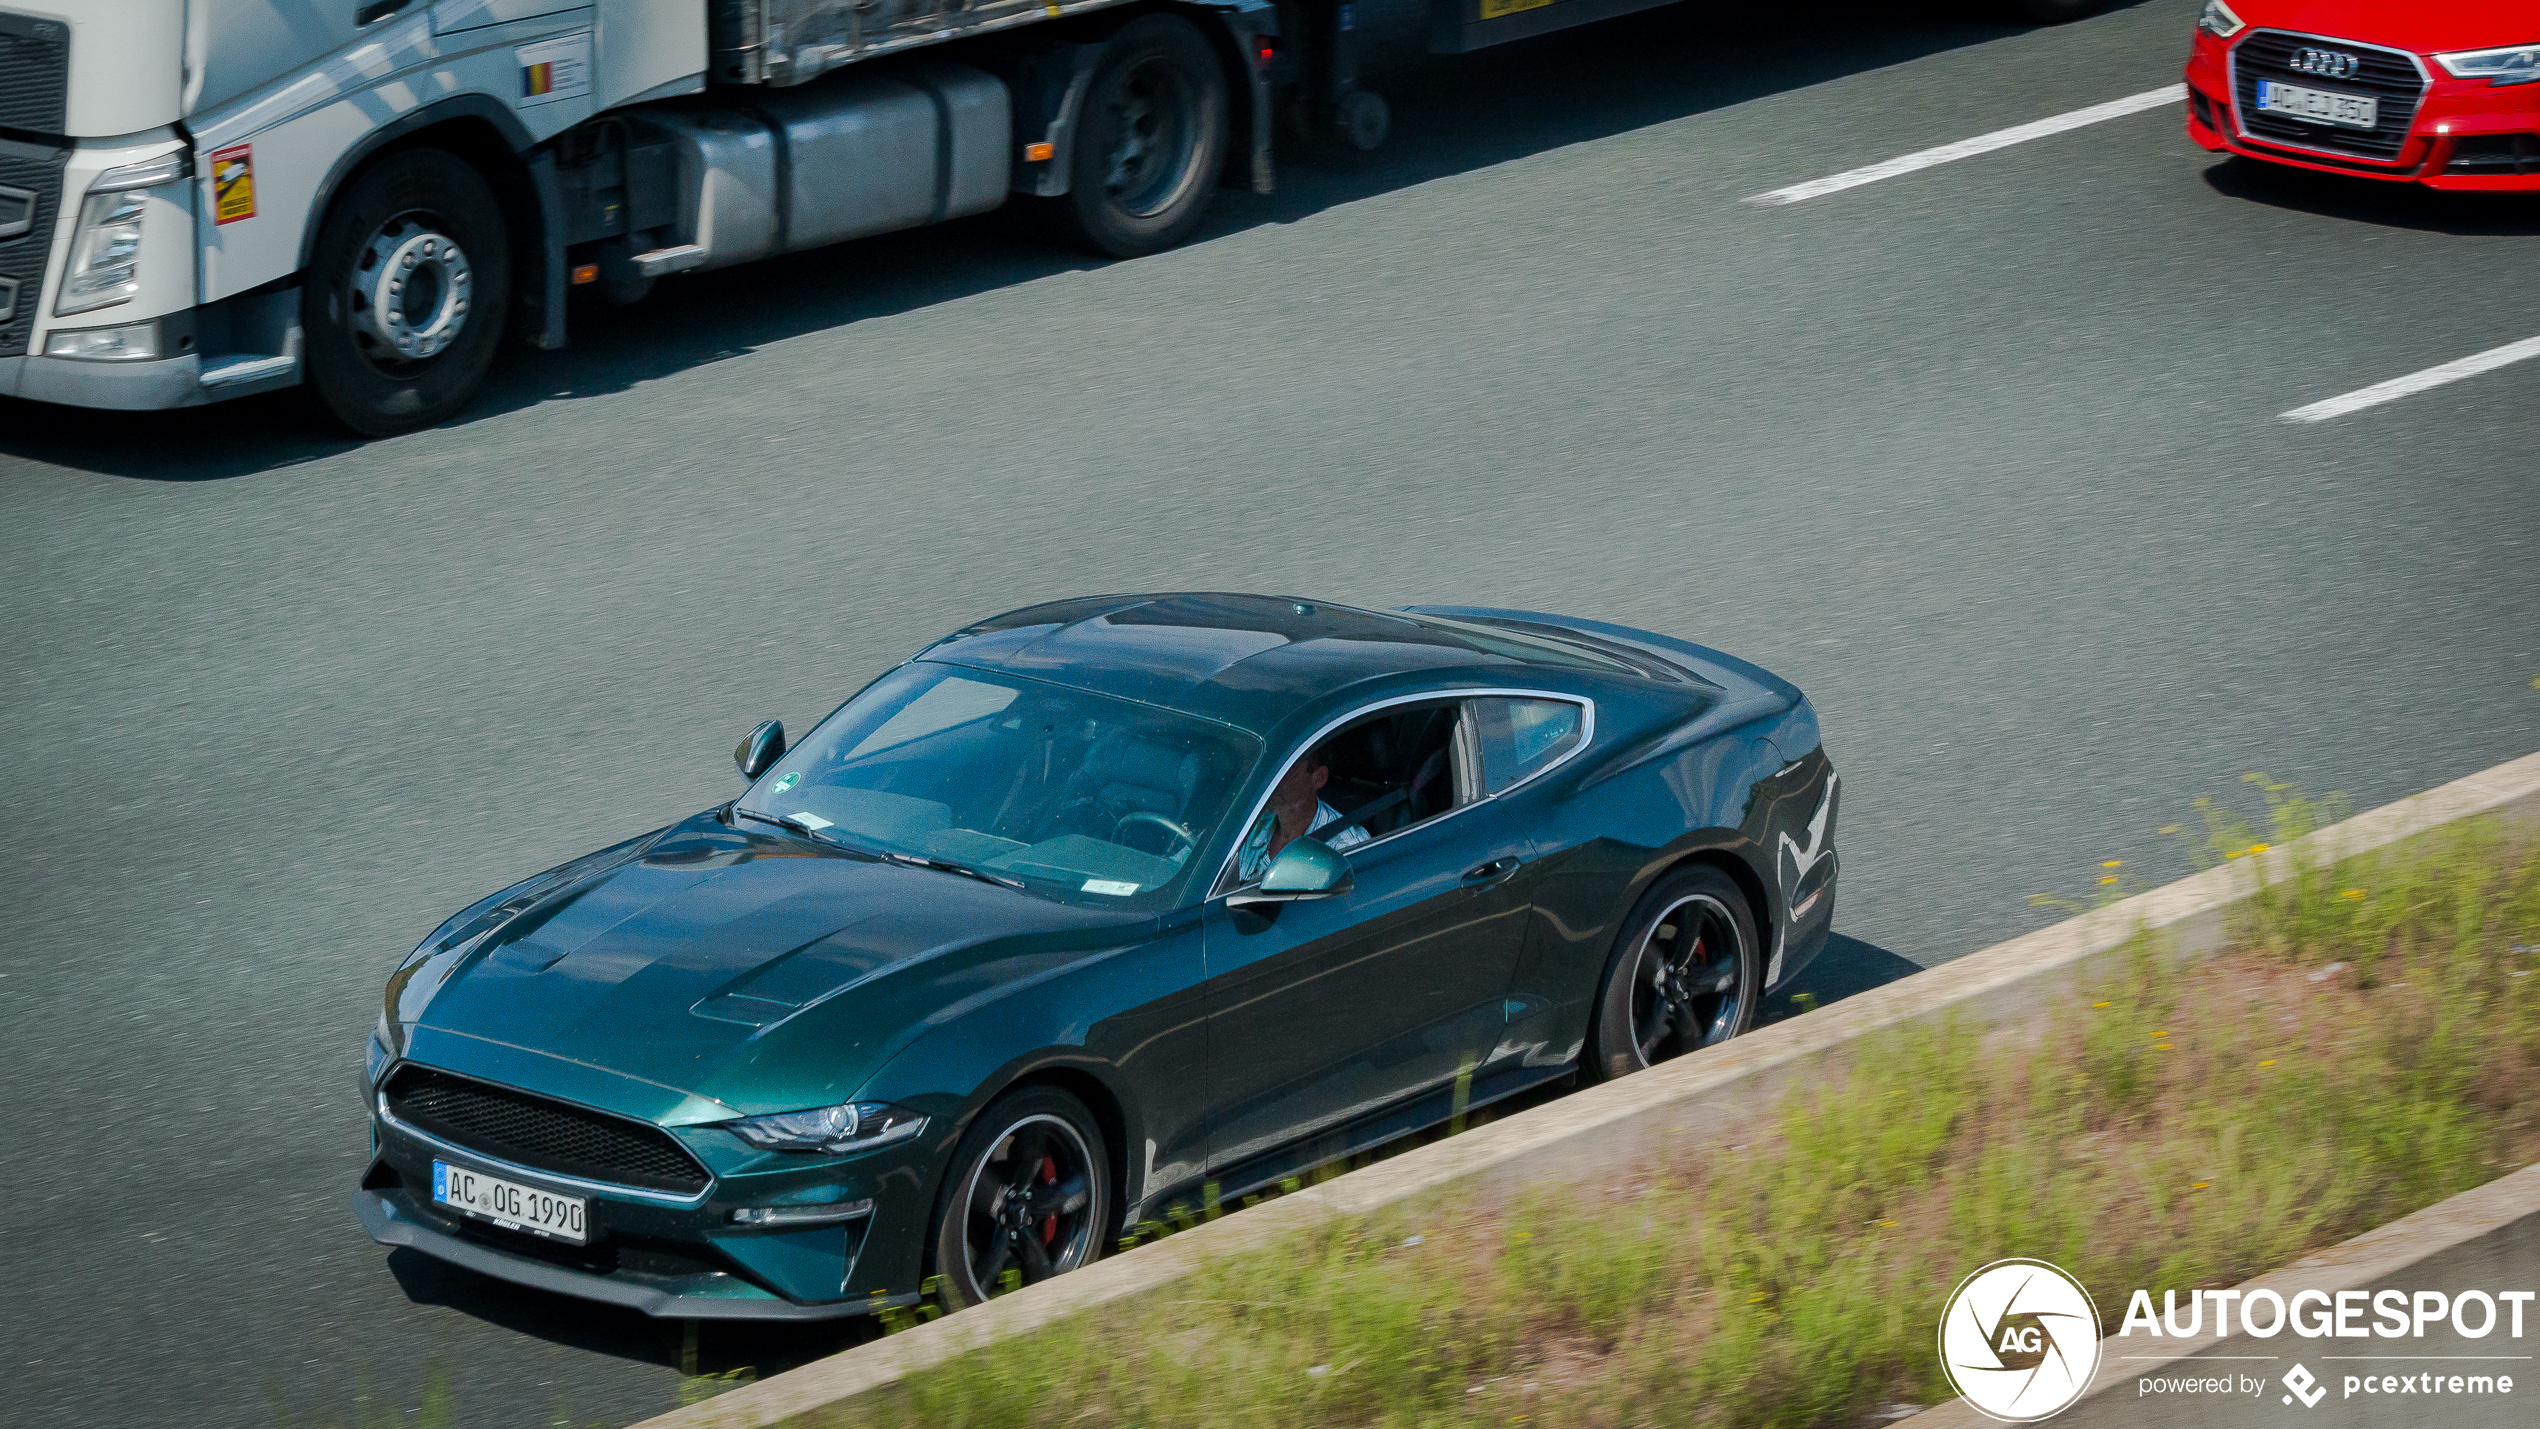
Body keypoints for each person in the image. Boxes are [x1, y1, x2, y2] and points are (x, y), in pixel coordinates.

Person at [1236, 744, 1370, 883]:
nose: (1273, 780)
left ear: (1318, 778)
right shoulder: (1252, 825)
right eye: (1272, 768)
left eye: (1287, 770)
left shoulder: (1344, 848)